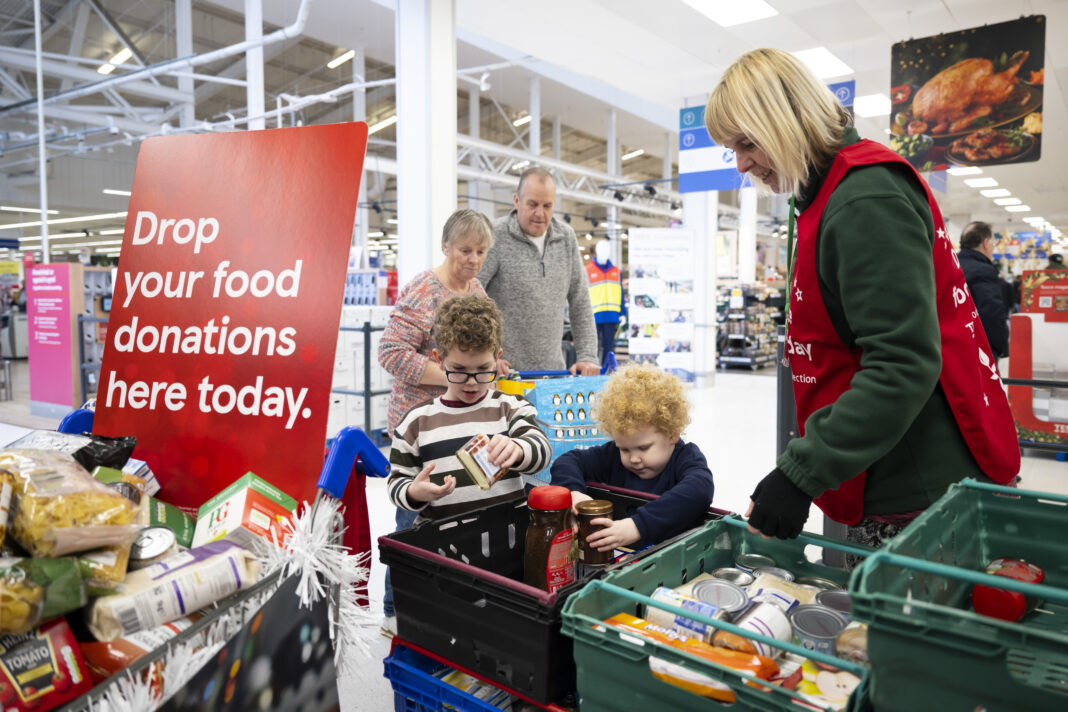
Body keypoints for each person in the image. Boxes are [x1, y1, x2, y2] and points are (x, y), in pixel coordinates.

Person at [703, 48, 1020, 554]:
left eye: (746, 142)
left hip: (921, 487)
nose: (741, 163)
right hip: (888, 468)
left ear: (786, 119)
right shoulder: (823, 195)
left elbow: (902, 363)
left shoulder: (864, 199)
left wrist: (800, 472)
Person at [376, 208, 492, 632]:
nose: (473, 259)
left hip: (461, 423)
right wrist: (452, 375)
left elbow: (479, 348)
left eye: (480, 251)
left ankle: (443, 599)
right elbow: (390, 351)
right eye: (465, 250)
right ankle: (394, 610)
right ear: (445, 246)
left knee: (457, 511)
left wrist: (490, 366)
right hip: (418, 427)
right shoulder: (423, 290)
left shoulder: (478, 292)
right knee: (413, 518)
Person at [387, 293, 551, 522]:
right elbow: (396, 482)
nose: (472, 382)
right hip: (441, 547)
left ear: (497, 358)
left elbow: (542, 450)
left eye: (483, 368)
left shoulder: (511, 408)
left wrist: (519, 448)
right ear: (439, 360)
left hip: (507, 540)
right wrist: (413, 492)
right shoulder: (416, 422)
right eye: (459, 370)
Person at [550, 364, 714, 550]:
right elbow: (567, 461)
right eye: (625, 449)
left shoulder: (686, 458)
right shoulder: (612, 455)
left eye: (643, 448)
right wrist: (573, 492)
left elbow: (700, 489)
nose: (634, 458)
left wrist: (637, 526)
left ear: (671, 435)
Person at [479, 167, 600, 375]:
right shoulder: (494, 236)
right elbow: (470, 298)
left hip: (553, 373)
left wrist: (587, 356)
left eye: (547, 206)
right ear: (517, 201)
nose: (539, 214)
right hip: (503, 375)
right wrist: (484, 356)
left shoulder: (566, 238)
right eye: (532, 204)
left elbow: (580, 302)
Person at [957, 221, 1010, 358]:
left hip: (949, 343)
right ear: (985, 243)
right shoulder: (983, 270)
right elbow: (991, 313)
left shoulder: (950, 264)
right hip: (976, 348)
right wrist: (1001, 347)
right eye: (993, 243)